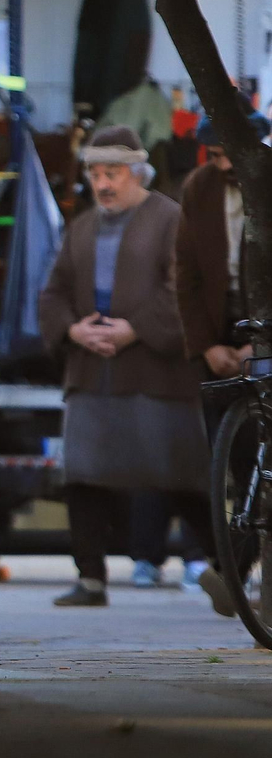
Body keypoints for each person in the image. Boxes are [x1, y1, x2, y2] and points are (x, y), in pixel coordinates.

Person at [38, 125, 224, 608]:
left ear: (137, 172)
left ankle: (230, 568)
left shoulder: (169, 219)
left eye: (113, 173)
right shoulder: (81, 226)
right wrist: (74, 330)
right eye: (96, 174)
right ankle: (91, 579)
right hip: (90, 370)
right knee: (83, 475)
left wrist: (133, 329)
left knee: (180, 478)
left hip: (154, 373)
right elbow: (53, 290)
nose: (103, 184)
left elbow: (183, 287)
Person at [171, 109, 272, 611]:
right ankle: (233, 566)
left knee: (262, 457)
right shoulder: (199, 188)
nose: (223, 164)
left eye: (229, 153)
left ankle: (233, 570)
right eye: (214, 156)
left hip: (265, 327)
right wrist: (205, 345)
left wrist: (265, 341)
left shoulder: (267, 179)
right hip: (219, 334)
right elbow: (185, 272)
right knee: (232, 462)